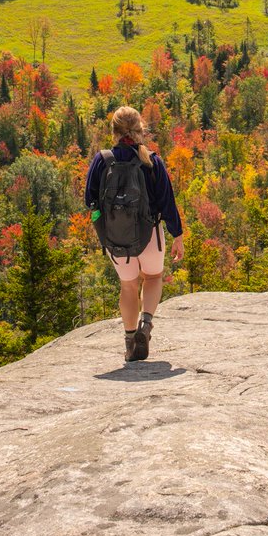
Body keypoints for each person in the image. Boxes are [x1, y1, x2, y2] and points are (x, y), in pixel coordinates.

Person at [85, 105, 184, 362]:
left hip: (117, 238)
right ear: (140, 129)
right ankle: (146, 326)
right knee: (153, 277)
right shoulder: (151, 160)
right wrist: (177, 235)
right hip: (150, 234)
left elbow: (90, 200)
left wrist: (103, 230)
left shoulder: (102, 160)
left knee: (128, 286)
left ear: (114, 131)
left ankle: (130, 342)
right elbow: (167, 202)